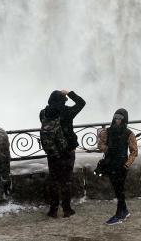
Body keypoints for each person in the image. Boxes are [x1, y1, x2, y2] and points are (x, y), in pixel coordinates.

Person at [39, 89, 86, 218]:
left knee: (54, 180)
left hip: (52, 151)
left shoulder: (43, 113)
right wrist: (70, 93)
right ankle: (67, 209)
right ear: (63, 100)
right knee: (66, 180)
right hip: (67, 151)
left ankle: (53, 210)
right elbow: (82, 103)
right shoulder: (67, 112)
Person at [97, 108, 138, 225]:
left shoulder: (129, 134)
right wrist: (108, 148)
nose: (117, 120)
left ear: (124, 119)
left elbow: (134, 151)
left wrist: (127, 164)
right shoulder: (107, 132)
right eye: (115, 117)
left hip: (121, 165)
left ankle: (119, 215)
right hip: (110, 163)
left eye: (120, 118)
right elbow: (100, 145)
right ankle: (124, 211)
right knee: (117, 189)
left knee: (119, 189)